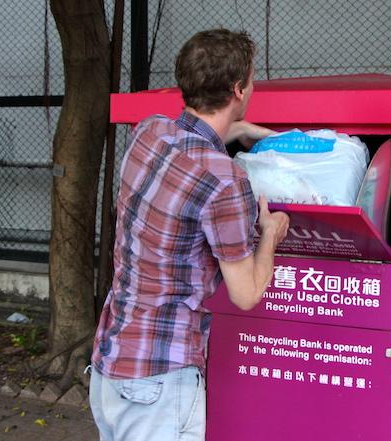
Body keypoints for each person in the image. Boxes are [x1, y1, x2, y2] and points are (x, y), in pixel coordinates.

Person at [88, 29, 289, 441]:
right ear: (238, 89)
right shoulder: (226, 181)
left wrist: (241, 130)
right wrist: (270, 234)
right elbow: (246, 293)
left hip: (110, 368)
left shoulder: (148, 132)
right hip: (159, 383)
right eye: (250, 81)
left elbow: (193, 141)